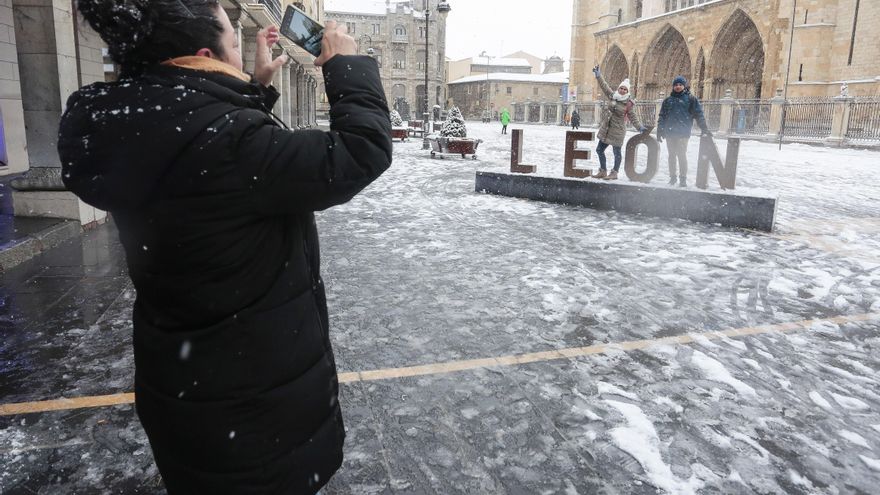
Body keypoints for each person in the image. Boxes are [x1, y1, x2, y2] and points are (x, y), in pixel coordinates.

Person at [58, 1, 392, 493]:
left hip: (185, 381)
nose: (237, 54)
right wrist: (346, 65)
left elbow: (208, 154)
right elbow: (360, 151)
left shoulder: (130, 124)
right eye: (233, 43)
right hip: (254, 400)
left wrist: (252, 89)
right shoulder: (228, 143)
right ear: (202, 56)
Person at [591, 65, 648, 180]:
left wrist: (639, 127)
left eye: (625, 89)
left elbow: (633, 117)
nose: (622, 90)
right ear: (618, 89)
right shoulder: (613, 96)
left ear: (627, 91)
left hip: (618, 131)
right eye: (621, 88)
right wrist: (598, 76)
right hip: (607, 129)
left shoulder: (628, 103)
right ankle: (603, 171)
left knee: (616, 152)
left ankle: (614, 172)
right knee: (599, 150)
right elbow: (605, 86)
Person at [657, 75, 712, 187]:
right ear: (673, 86)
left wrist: (704, 128)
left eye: (680, 85)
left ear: (684, 86)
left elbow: (699, 114)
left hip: (683, 133)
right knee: (671, 155)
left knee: (681, 155)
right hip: (670, 133)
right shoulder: (667, 101)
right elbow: (662, 116)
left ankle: (683, 178)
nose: (678, 87)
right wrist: (660, 129)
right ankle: (672, 177)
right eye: (676, 85)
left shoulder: (691, 99)